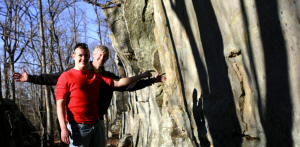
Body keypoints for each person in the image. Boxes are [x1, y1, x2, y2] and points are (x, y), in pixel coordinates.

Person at [12, 44, 166, 146]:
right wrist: (31, 78)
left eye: (105, 56)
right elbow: (52, 79)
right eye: (99, 55)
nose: (102, 58)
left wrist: (149, 80)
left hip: (97, 121)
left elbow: (125, 84)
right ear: (93, 55)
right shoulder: (74, 72)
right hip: (78, 124)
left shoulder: (103, 76)